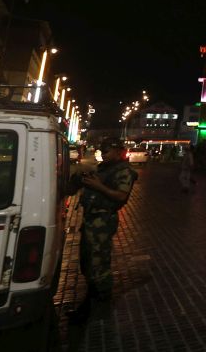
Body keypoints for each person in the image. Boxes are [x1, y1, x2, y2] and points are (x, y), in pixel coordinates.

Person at [68, 138, 138, 324]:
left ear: (118, 151)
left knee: (99, 263)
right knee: (88, 260)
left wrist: (97, 186)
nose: (102, 154)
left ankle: (99, 304)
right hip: (91, 220)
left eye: (106, 150)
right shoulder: (103, 168)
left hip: (103, 222)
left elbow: (121, 196)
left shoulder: (124, 171)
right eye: (101, 150)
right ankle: (93, 300)